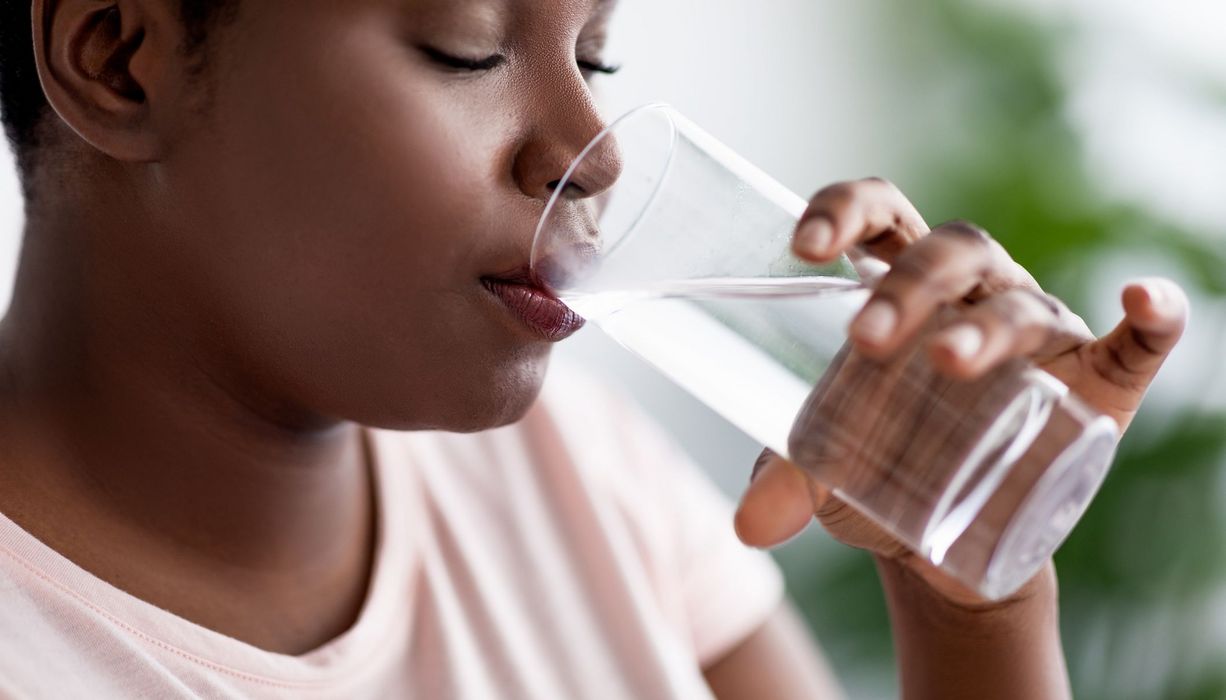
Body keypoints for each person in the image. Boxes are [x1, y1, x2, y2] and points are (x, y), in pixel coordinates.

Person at [0, 0, 1188, 698]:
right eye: (468, 46)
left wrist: (972, 607)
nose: (592, 148)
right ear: (117, 57)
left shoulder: (580, 480)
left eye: (596, 53)